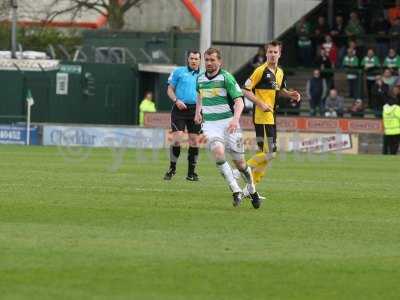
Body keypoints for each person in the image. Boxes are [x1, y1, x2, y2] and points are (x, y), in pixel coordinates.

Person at [194, 48, 261, 208]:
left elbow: (239, 101)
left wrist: (235, 120)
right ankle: (236, 190)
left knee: (241, 165)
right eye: (207, 60)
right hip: (210, 125)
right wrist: (198, 111)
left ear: (219, 61)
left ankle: (252, 189)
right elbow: (199, 94)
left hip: (229, 123)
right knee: (218, 153)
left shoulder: (227, 78)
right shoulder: (200, 78)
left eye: (212, 60)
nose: (209, 63)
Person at [243, 40, 301, 188]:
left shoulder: (280, 72)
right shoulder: (260, 71)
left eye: (275, 52)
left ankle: (250, 189)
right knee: (270, 154)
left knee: (266, 156)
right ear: (266, 53)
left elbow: (280, 90)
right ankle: (240, 170)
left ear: (280, 54)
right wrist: (260, 103)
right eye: (270, 52)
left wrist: (290, 94)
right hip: (262, 116)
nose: (272, 55)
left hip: (271, 115)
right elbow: (246, 90)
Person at [164, 50, 202, 181]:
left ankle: (191, 173)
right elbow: (169, 89)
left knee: (194, 141)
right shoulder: (178, 71)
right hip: (179, 109)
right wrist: (176, 100)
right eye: (192, 58)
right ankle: (172, 168)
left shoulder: (204, 75)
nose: (194, 61)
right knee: (177, 138)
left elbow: (204, 95)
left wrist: (199, 111)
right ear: (188, 59)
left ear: (200, 60)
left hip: (195, 109)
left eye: (196, 59)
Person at [382, 88, 400, 155]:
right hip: (397, 131)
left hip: (388, 131)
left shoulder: (384, 109)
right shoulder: (397, 108)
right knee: (394, 147)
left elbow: (384, 119)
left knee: (388, 146)